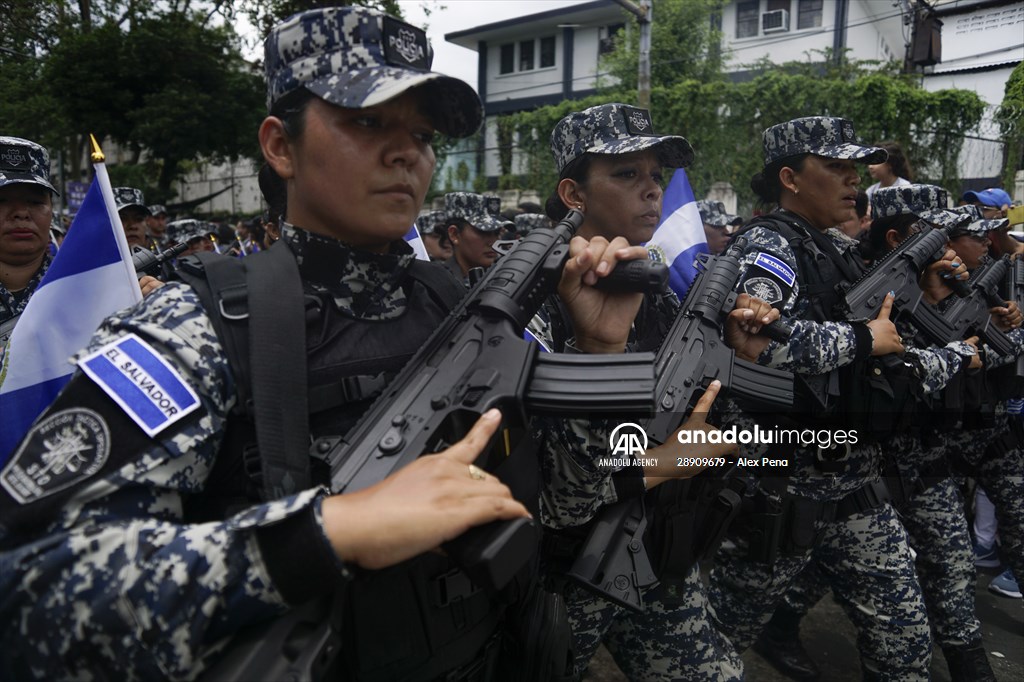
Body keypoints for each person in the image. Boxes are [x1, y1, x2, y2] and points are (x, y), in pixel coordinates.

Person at [0, 8, 555, 679]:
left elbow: (572, 503)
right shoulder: (198, 328)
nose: (407, 153)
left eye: (422, 134)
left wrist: (600, 343)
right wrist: (327, 533)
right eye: (367, 122)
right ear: (280, 146)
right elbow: (27, 587)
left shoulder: (460, 304)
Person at [707, 117, 972, 682]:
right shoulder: (768, 246)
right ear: (790, 178)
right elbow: (756, 345)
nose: (854, 179)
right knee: (721, 641)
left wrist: (925, 310)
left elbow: (884, 345)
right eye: (835, 167)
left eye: (855, 168)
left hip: (854, 478)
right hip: (782, 483)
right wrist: (862, 339)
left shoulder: (833, 247)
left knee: (905, 643)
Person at [533, 102, 781, 681]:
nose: (652, 190)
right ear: (573, 194)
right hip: (565, 571)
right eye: (627, 174)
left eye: (655, 175)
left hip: (658, 546)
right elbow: (545, 492)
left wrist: (734, 357)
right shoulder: (536, 301)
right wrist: (657, 466)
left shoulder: (659, 290)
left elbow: (701, 420)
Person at [0, 136, 57, 344]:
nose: (21, 213)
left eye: (35, 201)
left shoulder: (84, 286)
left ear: (51, 210)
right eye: (2, 200)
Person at [442, 191, 508, 282]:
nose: (493, 243)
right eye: (483, 232)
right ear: (454, 234)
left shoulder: (503, 277)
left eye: (497, 233)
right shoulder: (439, 282)